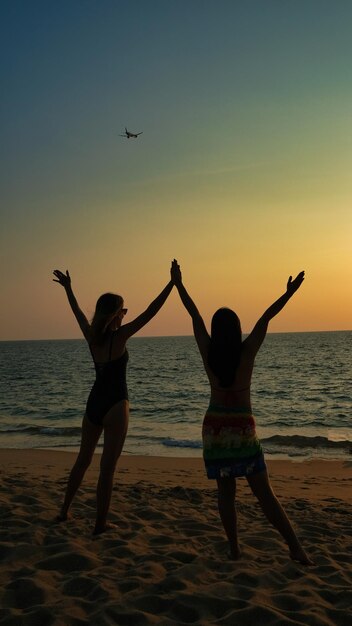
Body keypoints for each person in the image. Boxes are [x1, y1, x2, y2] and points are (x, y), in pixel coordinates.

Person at [171, 260, 313, 564]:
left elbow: (194, 315)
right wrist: (288, 293)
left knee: (226, 493)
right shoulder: (247, 351)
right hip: (242, 429)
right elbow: (266, 318)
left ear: (215, 332)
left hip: (215, 430)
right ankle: (295, 547)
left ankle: (234, 547)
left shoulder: (208, 352)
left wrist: (178, 284)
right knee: (265, 494)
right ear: (236, 330)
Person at [53, 264, 174, 534]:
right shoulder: (119, 338)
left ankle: (64, 511)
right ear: (117, 315)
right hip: (117, 405)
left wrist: (69, 289)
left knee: (82, 461)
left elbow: (77, 312)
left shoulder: (91, 337)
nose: (126, 315)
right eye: (123, 311)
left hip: (94, 403)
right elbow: (150, 313)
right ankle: (100, 524)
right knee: (107, 470)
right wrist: (172, 284)